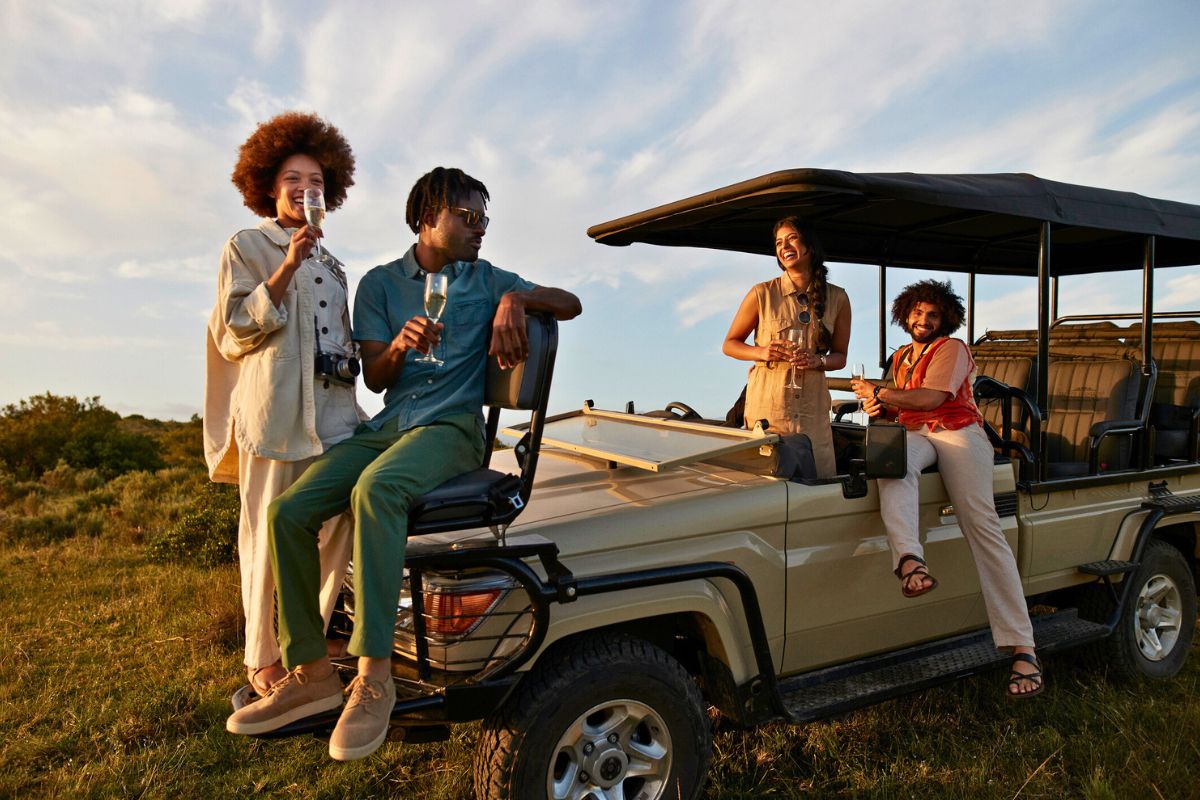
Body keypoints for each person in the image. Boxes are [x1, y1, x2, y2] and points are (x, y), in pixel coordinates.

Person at [225, 167, 583, 760]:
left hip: (452, 428)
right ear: (427, 219)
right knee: (288, 511)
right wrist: (397, 345)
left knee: (376, 492)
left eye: (484, 219)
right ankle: (312, 673)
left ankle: (374, 676)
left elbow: (570, 302)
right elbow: (374, 376)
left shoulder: (487, 277)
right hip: (391, 425)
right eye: (467, 217)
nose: (480, 229)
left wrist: (517, 299)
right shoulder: (381, 285)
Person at [204, 111, 364, 698]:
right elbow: (234, 330)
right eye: (294, 178)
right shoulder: (249, 246)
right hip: (274, 416)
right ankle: (261, 656)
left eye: (318, 181)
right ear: (270, 187)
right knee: (267, 536)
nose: (307, 189)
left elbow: (339, 342)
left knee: (338, 527)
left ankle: (312, 637)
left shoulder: (335, 265)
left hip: (337, 419)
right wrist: (288, 264)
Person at [850, 279, 1043, 698]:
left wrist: (881, 391)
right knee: (892, 466)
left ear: (946, 319)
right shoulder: (900, 356)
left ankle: (1023, 647)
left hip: (958, 432)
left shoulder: (953, 349)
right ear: (906, 314)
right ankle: (909, 562)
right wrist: (877, 404)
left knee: (982, 525)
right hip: (916, 433)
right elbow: (899, 405)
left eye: (932, 314)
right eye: (918, 313)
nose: (924, 320)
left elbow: (932, 398)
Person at [722, 216, 851, 477]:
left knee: (818, 491)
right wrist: (762, 352)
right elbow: (729, 344)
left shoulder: (838, 297)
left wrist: (819, 361)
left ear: (810, 245)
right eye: (779, 242)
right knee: (767, 488)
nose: (784, 246)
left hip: (813, 416)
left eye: (792, 238)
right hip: (769, 412)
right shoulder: (762, 293)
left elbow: (840, 357)